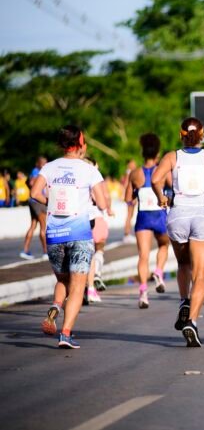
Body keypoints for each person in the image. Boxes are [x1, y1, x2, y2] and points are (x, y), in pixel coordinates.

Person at [151, 117, 204, 347]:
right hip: (202, 214)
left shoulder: (172, 156)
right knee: (201, 275)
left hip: (178, 215)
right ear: (202, 134)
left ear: (180, 135)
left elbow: (155, 179)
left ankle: (184, 300)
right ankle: (191, 321)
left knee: (183, 264)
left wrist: (161, 197)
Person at [32, 125, 107, 348]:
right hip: (80, 234)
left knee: (63, 280)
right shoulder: (89, 170)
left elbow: (34, 193)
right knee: (77, 287)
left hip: (55, 234)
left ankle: (56, 306)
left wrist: (52, 202)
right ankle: (65, 334)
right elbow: (103, 203)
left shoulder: (49, 167)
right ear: (80, 143)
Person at [124, 133, 171, 309]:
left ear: (142, 152)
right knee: (164, 245)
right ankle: (158, 271)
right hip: (160, 215)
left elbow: (128, 198)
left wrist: (138, 193)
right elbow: (173, 189)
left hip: (143, 216)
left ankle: (143, 292)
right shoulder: (163, 172)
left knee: (143, 255)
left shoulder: (135, 173)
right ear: (158, 153)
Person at [82, 156, 113, 305]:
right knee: (95, 252)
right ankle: (93, 283)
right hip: (95, 218)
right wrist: (109, 208)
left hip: (72, 220)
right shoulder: (96, 179)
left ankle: (76, 290)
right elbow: (104, 200)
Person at [21, 156, 48, 260]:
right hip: (38, 202)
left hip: (32, 201)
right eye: (43, 163)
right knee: (43, 226)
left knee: (33, 225)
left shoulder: (34, 171)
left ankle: (25, 250)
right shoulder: (38, 172)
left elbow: (28, 182)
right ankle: (45, 252)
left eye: (46, 162)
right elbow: (31, 183)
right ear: (38, 163)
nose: (45, 165)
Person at [121, 159, 137, 244]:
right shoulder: (129, 172)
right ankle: (127, 234)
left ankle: (127, 234)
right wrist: (130, 196)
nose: (135, 164)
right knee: (129, 215)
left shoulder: (130, 172)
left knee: (130, 215)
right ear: (129, 164)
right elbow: (126, 184)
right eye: (133, 163)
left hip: (130, 196)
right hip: (130, 196)